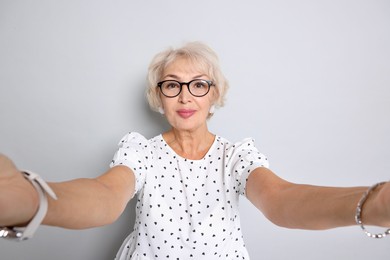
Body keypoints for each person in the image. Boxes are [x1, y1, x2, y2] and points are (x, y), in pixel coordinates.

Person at [0, 42, 389, 259]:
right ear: (159, 96)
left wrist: (373, 204)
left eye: (198, 84)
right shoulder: (141, 151)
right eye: (172, 85)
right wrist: (33, 199)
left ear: (214, 94)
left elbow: (282, 199)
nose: (185, 95)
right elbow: (105, 196)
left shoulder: (237, 155)